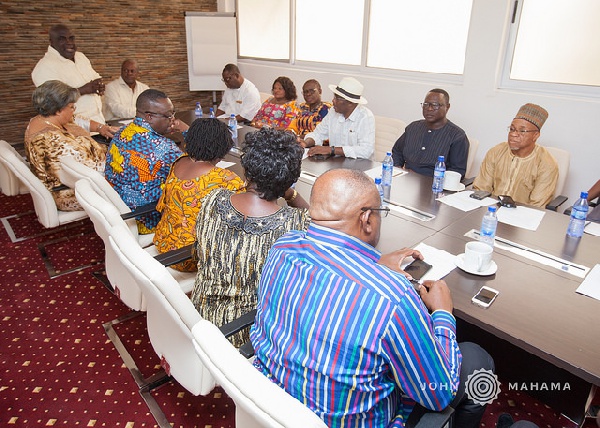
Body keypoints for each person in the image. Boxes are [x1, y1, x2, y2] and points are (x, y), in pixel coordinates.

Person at [250, 168, 494, 428]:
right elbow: (438, 394)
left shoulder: (283, 246)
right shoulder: (392, 296)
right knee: (477, 358)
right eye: (380, 214)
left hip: (274, 402)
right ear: (366, 219)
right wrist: (442, 314)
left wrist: (376, 265)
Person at [191, 128, 310, 347]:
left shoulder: (212, 198)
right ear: (291, 180)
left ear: (246, 171)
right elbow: (314, 217)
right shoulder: (296, 224)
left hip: (199, 315)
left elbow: (197, 253)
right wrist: (290, 193)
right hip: (246, 331)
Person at [153, 119, 244, 272]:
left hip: (163, 242)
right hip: (188, 256)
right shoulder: (225, 178)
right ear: (222, 151)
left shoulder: (178, 162)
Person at [104, 89, 188, 233]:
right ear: (149, 116)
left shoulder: (123, 132)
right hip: (147, 216)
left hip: (120, 209)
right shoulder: (162, 147)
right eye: (168, 115)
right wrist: (187, 130)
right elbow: (195, 167)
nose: (173, 120)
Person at [24, 80, 107, 211]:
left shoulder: (42, 119)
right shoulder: (50, 142)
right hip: (72, 193)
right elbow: (92, 173)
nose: (74, 111)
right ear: (57, 110)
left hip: (83, 179)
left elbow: (76, 120)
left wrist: (101, 127)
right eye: (71, 107)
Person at [31, 24, 116, 139]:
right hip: (74, 134)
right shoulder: (43, 67)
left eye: (71, 38)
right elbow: (52, 102)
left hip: (99, 126)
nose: (69, 42)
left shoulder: (81, 57)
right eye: (62, 39)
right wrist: (84, 90)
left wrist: (99, 86)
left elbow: (95, 77)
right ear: (51, 42)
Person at [473, 103, 558, 208]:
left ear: (535, 135)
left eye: (522, 131)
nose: (513, 134)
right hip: (490, 210)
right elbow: (481, 189)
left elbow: (536, 206)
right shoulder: (496, 152)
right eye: (512, 129)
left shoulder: (546, 164)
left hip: (522, 217)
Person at [391, 89, 469, 178]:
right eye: (426, 104)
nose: (429, 108)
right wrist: (398, 169)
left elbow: (457, 172)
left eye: (435, 105)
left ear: (447, 107)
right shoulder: (413, 127)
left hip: (434, 185)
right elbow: (397, 151)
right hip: (405, 180)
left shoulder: (457, 136)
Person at [301, 77, 375, 159]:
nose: (333, 101)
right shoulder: (333, 111)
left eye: (337, 98)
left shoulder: (365, 117)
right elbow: (318, 133)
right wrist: (305, 143)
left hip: (358, 165)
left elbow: (366, 150)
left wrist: (331, 150)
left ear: (350, 102)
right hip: (335, 163)